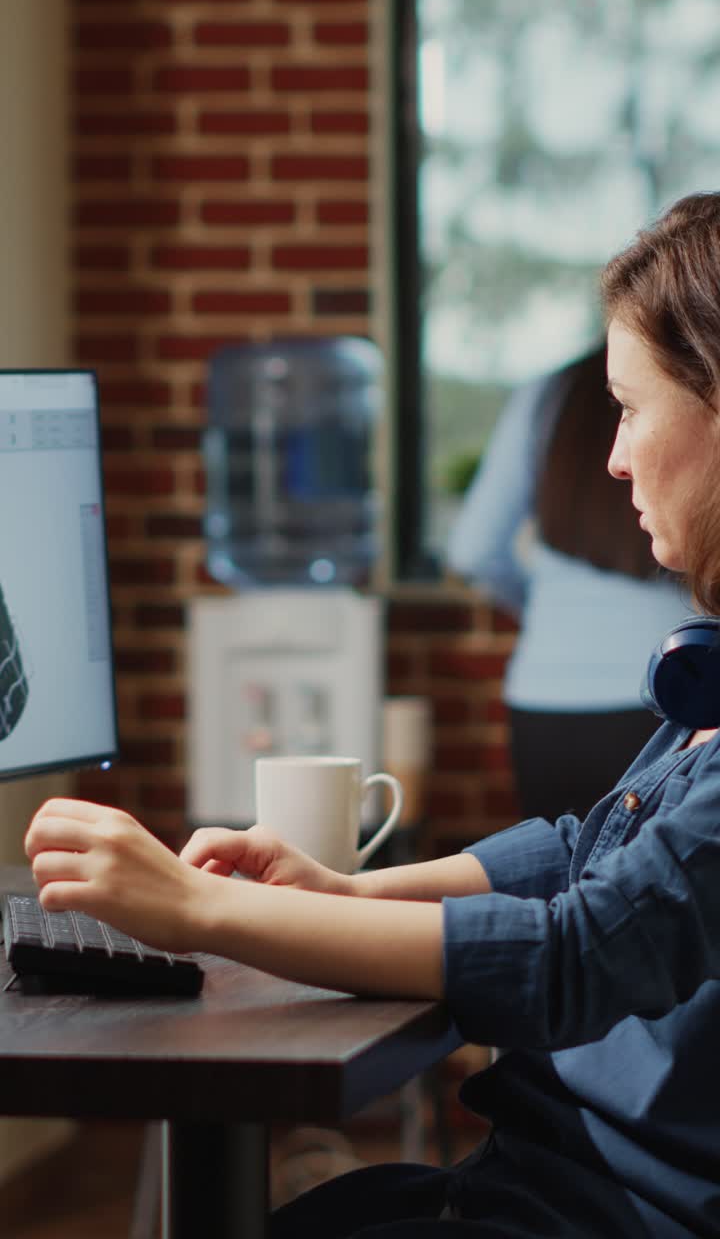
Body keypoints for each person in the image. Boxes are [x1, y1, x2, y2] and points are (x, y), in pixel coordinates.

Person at [24, 191, 720, 1236]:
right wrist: (350, 890)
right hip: (534, 1183)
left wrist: (200, 912)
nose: (613, 456)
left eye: (628, 407)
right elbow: (586, 849)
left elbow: (579, 953)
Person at [446, 344, 690, 821]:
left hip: (546, 700)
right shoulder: (689, 385)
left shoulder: (547, 395)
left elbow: (472, 550)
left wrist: (546, 612)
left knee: (562, 865)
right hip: (676, 690)